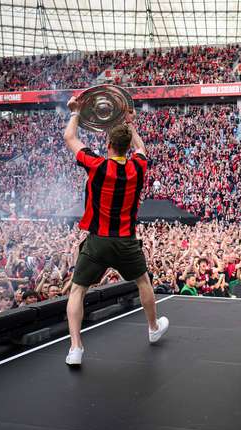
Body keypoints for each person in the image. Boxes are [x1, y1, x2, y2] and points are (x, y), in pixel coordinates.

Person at [62, 95, 169, 366]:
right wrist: (129, 123)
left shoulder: (96, 165)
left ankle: (76, 348)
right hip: (125, 241)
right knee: (143, 281)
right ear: (126, 147)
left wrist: (75, 112)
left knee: (77, 291)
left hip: (98, 241)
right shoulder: (138, 166)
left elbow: (69, 138)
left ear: (108, 145)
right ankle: (153, 328)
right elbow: (142, 147)